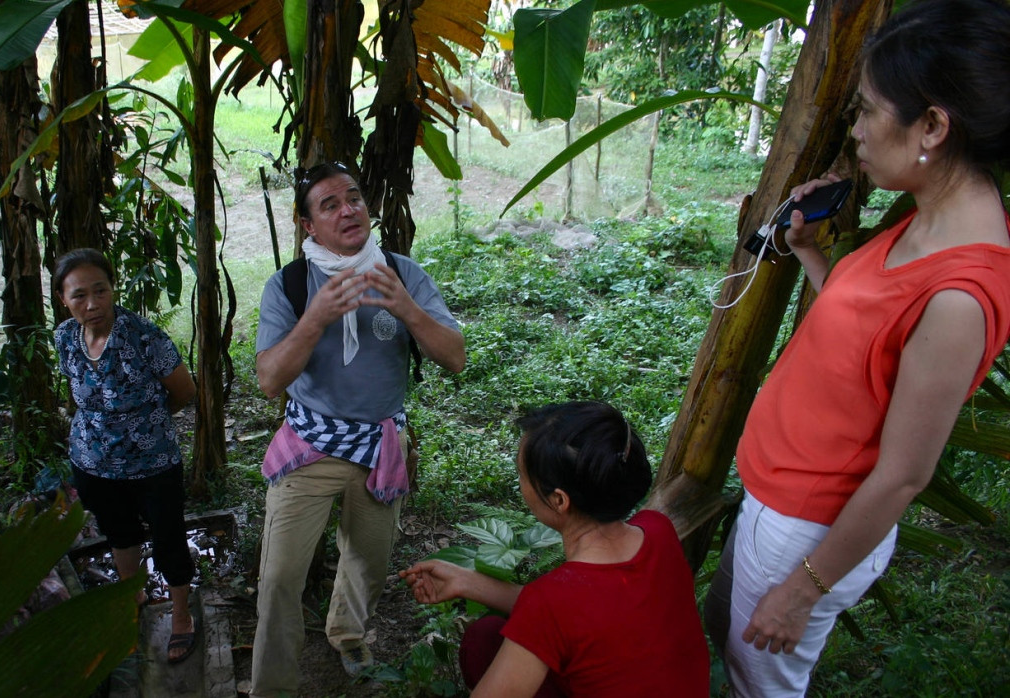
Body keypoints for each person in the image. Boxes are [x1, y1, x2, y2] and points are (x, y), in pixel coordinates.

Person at [705, 1, 1010, 695]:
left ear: (932, 124)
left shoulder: (960, 296)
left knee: (763, 684)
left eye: (869, 111)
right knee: (728, 636)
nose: (858, 132)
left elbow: (903, 474)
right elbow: (867, 342)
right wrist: (811, 253)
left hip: (805, 531)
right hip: (781, 505)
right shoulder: (933, 216)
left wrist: (802, 590)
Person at [250, 161, 466, 696]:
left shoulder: (401, 272)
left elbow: (456, 358)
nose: (348, 210)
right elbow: (270, 380)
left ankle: (347, 634)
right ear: (307, 225)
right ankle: (271, 685)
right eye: (329, 204)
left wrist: (408, 309)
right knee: (278, 578)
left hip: (382, 446)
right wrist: (317, 316)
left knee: (369, 561)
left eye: (354, 197)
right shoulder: (290, 285)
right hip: (312, 448)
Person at [400, 401, 710, 697]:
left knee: (483, 644)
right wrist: (466, 582)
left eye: (522, 475)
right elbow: (578, 612)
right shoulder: (657, 529)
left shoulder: (552, 602)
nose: (520, 483)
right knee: (486, 637)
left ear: (559, 500)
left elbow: (560, 611)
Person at [52, 248, 199, 664]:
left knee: (169, 537)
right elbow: (79, 394)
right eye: (79, 295)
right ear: (64, 299)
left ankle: (182, 616)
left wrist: (145, 424)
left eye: (101, 290)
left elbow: (185, 392)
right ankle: (131, 596)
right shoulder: (65, 338)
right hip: (92, 462)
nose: (93, 303)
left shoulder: (144, 337)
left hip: (152, 462)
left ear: (114, 288)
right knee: (119, 533)